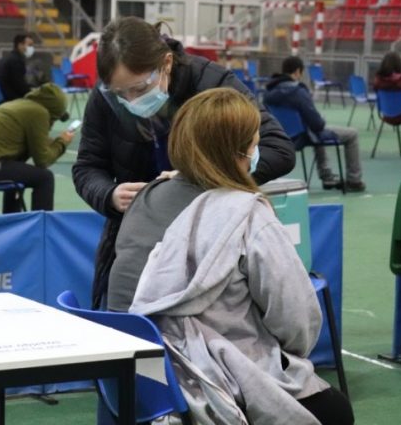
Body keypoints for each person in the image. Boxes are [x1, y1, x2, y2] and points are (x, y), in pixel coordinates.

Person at [121, 88, 354, 425]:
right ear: (242, 151)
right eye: (255, 143)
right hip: (229, 382)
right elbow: (296, 318)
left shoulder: (151, 199)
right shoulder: (250, 214)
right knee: (335, 410)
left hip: (162, 381)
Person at [72, 16, 296, 309]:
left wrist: (201, 177)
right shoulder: (105, 98)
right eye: (120, 93)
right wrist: (110, 195)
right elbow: (87, 167)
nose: (130, 99)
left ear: (166, 63)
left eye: (139, 89)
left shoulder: (213, 83)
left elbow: (279, 150)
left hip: (211, 239)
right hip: (135, 238)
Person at [0, 83, 73, 213]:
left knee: (18, 169)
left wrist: (46, 141)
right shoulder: (39, 113)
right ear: (53, 112)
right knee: (45, 178)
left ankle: (12, 221)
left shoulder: (18, 104)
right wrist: (62, 142)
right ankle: (42, 228)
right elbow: (43, 160)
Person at [265, 56, 365, 192]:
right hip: (301, 137)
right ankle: (354, 180)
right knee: (350, 134)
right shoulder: (298, 91)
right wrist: (320, 120)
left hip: (279, 137)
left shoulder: (268, 92)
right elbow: (317, 124)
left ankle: (327, 175)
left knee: (313, 129)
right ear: (298, 71)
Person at [0, 33, 36, 103]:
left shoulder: (5, 58)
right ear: (20, 45)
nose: (32, 48)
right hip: (12, 99)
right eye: (29, 45)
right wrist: (34, 94)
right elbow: (20, 86)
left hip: (3, 97)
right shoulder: (16, 61)